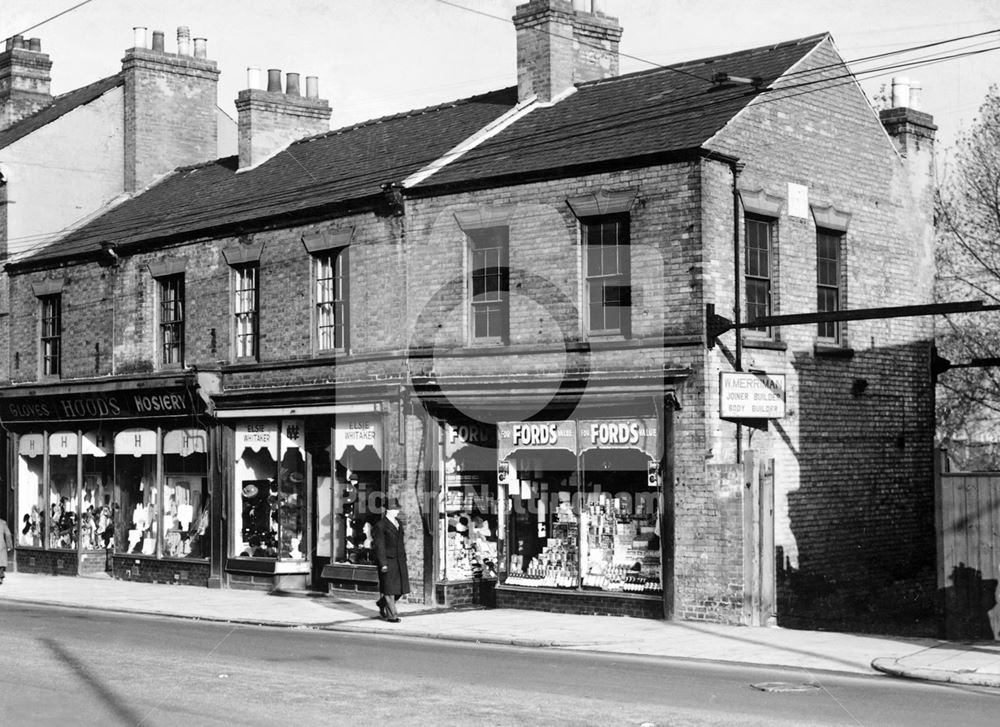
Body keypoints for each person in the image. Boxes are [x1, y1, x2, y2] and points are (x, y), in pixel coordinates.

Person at [372, 496, 410, 622]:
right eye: (395, 509)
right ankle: (392, 616)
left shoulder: (398, 523)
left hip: (399, 561)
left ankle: (382, 604)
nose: (397, 511)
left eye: (397, 509)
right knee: (389, 590)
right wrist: (383, 563)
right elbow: (379, 546)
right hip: (388, 561)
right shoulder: (380, 526)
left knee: (400, 589)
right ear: (388, 510)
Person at [0, 517, 13, 584]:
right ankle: (1, 575)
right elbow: (8, 534)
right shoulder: (2, 523)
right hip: (1, 545)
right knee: (1, 561)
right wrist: (9, 545)